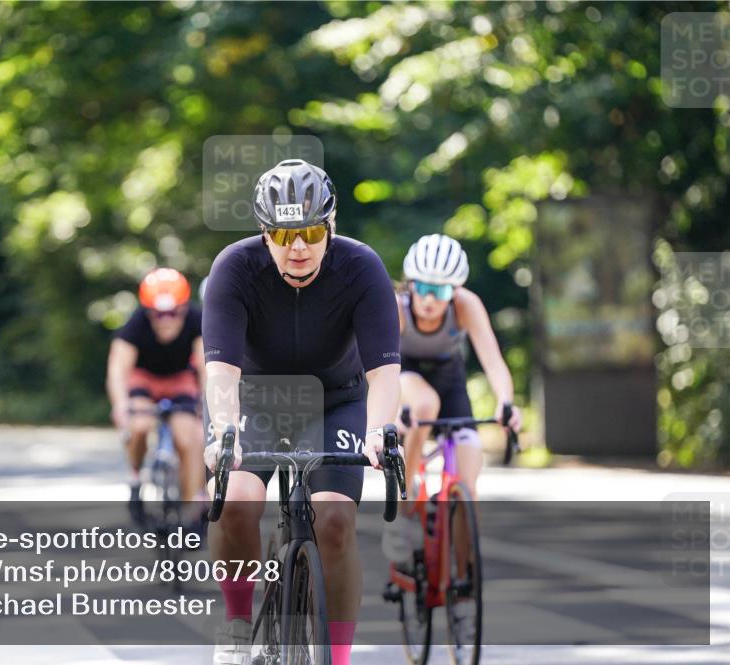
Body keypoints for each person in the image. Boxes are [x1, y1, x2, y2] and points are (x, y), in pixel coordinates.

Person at [202, 159, 402, 665]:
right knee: (237, 498)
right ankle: (237, 621)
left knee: (334, 520)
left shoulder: (361, 267)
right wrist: (223, 431)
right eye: (284, 234)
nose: (298, 247)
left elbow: (384, 374)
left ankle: (336, 658)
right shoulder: (234, 267)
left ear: (330, 227)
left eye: (312, 231)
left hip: (337, 398)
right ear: (264, 234)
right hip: (257, 399)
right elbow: (222, 373)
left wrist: (379, 431)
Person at [386, 233, 521, 567]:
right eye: (424, 288)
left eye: (442, 290)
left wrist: (506, 403)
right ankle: (408, 493)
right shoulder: (398, 309)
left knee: (468, 484)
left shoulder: (466, 305)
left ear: (454, 291)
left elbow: (492, 360)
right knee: (425, 404)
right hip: (407, 378)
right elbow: (378, 369)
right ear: (411, 284)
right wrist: (389, 415)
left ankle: (462, 583)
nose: (431, 299)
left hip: (451, 380)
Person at [106, 268, 207, 523]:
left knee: (190, 437)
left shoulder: (197, 319)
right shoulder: (137, 323)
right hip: (145, 379)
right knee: (139, 425)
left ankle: (192, 508)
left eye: (173, 313)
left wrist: (207, 404)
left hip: (180, 379)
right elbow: (118, 369)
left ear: (184, 308)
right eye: (157, 314)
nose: (165, 320)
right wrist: (120, 405)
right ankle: (135, 478)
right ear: (147, 310)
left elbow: (207, 367)